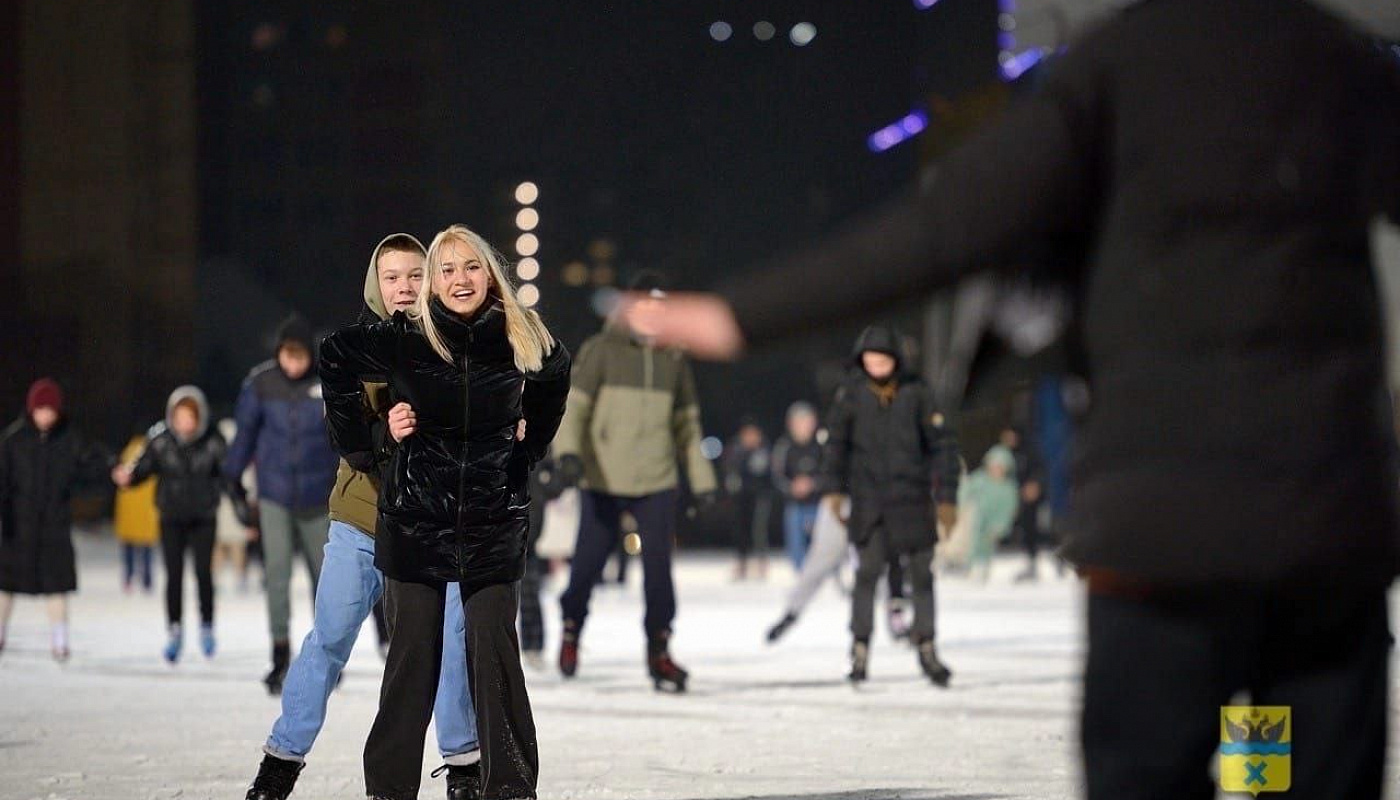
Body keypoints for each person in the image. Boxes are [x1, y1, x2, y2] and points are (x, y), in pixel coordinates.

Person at [638, 2, 1400, 794]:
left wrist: (740, 316)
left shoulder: (1114, 68)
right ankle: (1262, 774)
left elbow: (944, 228)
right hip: (1325, 520)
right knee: (1304, 770)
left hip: (1164, 533)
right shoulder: (1332, 58)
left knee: (1151, 769)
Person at [319, 224, 570, 800]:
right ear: (433, 280)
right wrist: (365, 440)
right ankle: (389, 791)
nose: (460, 280)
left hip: (491, 524)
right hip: (414, 525)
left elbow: (555, 376)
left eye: (471, 267)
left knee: (496, 663)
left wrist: (527, 448)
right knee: (411, 666)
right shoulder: (407, 335)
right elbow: (334, 356)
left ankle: (508, 789)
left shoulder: (518, 332)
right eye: (447, 270)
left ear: (490, 273)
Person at [244, 234, 481, 800]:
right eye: (392, 277)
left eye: (413, 275)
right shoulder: (351, 348)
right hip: (364, 517)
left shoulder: (454, 344)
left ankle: (465, 768)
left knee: (451, 642)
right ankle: (280, 764)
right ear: (376, 285)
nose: (403, 287)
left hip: (434, 524)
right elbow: (344, 434)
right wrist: (383, 431)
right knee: (328, 639)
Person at [552, 271, 718, 691]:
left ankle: (659, 650)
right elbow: (576, 410)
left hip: (656, 479)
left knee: (659, 572)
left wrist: (702, 481)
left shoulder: (673, 358)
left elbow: (688, 425)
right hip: (604, 477)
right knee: (587, 567)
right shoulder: (601, 350)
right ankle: (572, 627)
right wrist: (569, 456)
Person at [819, 326, 961, 685]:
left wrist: (946, 498)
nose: (876, 366)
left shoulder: (917, 393)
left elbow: (942, 447)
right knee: (866, 575)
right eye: (870, 360)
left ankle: (927, 647)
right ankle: (859, 649)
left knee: (921, 578)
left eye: (883, 359)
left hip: (912, 501)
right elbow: (836, 445)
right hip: (869, 505)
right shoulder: (851, 395)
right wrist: (834, 490)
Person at [225, 315, 341, 694]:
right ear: (279, 354)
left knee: (324, 581)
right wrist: (234, 481)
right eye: (288, 356)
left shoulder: (326, 384)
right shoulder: (261, 385)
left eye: (301, 356)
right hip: (274, 496)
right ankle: (279, 656)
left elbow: (344, 436)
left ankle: (326, 658)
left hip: (318, 499)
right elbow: (244, 437)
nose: (294, 364)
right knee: (276, 577)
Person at [113, 386, 228, 662]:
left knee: (203, 574)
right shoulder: (160, 439)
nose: (184, 423)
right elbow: (142, 467)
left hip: (203, 517)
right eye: (179, 417)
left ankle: (207, 626)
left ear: (199, 417)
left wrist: (246, 511)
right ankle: (175, 630)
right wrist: (127, 477)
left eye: (190, 417)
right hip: (171, 517)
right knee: (173, 575)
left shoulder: (214, 439)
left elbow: (229, 476)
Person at [0, 379, 111, 661]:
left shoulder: (69, 439)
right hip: (18, 526)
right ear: (31, 410)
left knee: (57, 585)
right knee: (5, 584)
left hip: (54, 526)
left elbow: (91, 464)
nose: (45, 415)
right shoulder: (13, 441)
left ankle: (60, 640)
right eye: (41, 410)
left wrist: (113, 468)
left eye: (51, 410)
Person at [770, 401, 822, 571]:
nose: (803, 426)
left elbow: (832, 473)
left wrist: (812, 485)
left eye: (806, 421)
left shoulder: (822, 446)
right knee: (795, 536)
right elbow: (777, 476)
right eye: (798, 422)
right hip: (795, 505)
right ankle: (801, 574)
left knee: (823, 541)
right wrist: (792, 487)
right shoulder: (784, 447)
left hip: (820, 504)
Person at [722, 418, 774, 581]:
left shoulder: (764, 450)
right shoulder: (735, 450)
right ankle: (741, 563)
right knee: (740, 530)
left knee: (759, 530)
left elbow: (769, 473)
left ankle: (761, 563)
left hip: (760, 496)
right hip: (741, 497)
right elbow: (729, 471)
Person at [959, 444, 1019, 583]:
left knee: (986, 545)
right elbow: (965, 491)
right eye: (994, 466)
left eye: (1000, 467)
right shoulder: (980, 480)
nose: (996, 471)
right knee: (971, 541)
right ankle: (969, 565)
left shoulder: (1008, 489)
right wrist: (964, 507)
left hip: (994, 523)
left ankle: (983, 566)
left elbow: (1009, 510)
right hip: (975, 519)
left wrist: (1001, 526)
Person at [212, 418, 255, 593]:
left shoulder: (240, 459)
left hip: (236, 510)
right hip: (221, 510)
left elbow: (249, 483)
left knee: (236, 546)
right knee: (219, 547)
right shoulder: (216, 457)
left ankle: (239, 578)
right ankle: (216, 578)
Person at [113, 431, 158, 594]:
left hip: (130, 513)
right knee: (146, 547)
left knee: (129, 547)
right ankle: (147, 580)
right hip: (147, 511)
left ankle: (128, 578)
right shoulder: (150, 456)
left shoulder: (127, 454)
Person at [998, 426, 1046, 582]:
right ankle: (1029, 562)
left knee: (1031, 526)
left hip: (1031, 494)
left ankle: (1035, 562)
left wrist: (1035, 484)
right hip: (1014, 495)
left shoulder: (1029, 450)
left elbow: (1039, 469)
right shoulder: (1006, 453)